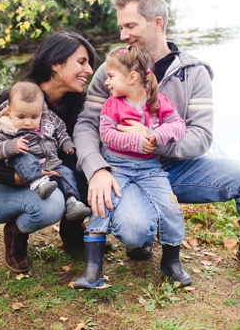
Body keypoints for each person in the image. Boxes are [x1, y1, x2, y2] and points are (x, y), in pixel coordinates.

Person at [73, 0, 240, 283]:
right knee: (134, 230)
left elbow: (201, 136)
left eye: (130, 26)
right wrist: (97, 169)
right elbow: (87, 124)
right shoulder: (112, 70)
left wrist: (153, 139)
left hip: (176, 167)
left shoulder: (194, 73)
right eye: (121, 27)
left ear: (157, 23)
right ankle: (139, 237)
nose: (123, 35)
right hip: (124, 169)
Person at [0, 31, 96, 273]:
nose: (89, 70)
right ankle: (15, 233)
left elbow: (76, 153)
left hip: (49, 176)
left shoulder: (75, 104)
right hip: (0, 190)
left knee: (92, 165)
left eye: (89, 64)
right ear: (55, 64)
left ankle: (72, 232)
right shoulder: (15, 100)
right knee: (51, 205)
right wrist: (16, 177)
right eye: (82, 62)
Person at [74, 45, 191, 288]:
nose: (106, 82)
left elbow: (178, 125)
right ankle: (92, 270)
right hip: (118, 166)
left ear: (132, 77)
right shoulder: (112, 104)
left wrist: (156, 136)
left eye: (111, 76)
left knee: (170, 207)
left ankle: (171, 261)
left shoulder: (157, 101)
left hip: (151, 169)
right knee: (102, 203)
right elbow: (106, 135)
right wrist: (138, 141)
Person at [0, 81, 91, 221]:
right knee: (24, 156)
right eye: (21, 117)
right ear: (10, 111)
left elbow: (61, 131)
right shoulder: (6, 127)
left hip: (51, 163)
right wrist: (12, 146)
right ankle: (37, 183)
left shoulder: (48, 119)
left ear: (41, 110)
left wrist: (66, 144)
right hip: (23, 166)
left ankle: (72, 201)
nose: (28, 122)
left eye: (34, 117)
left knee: (67, 173)